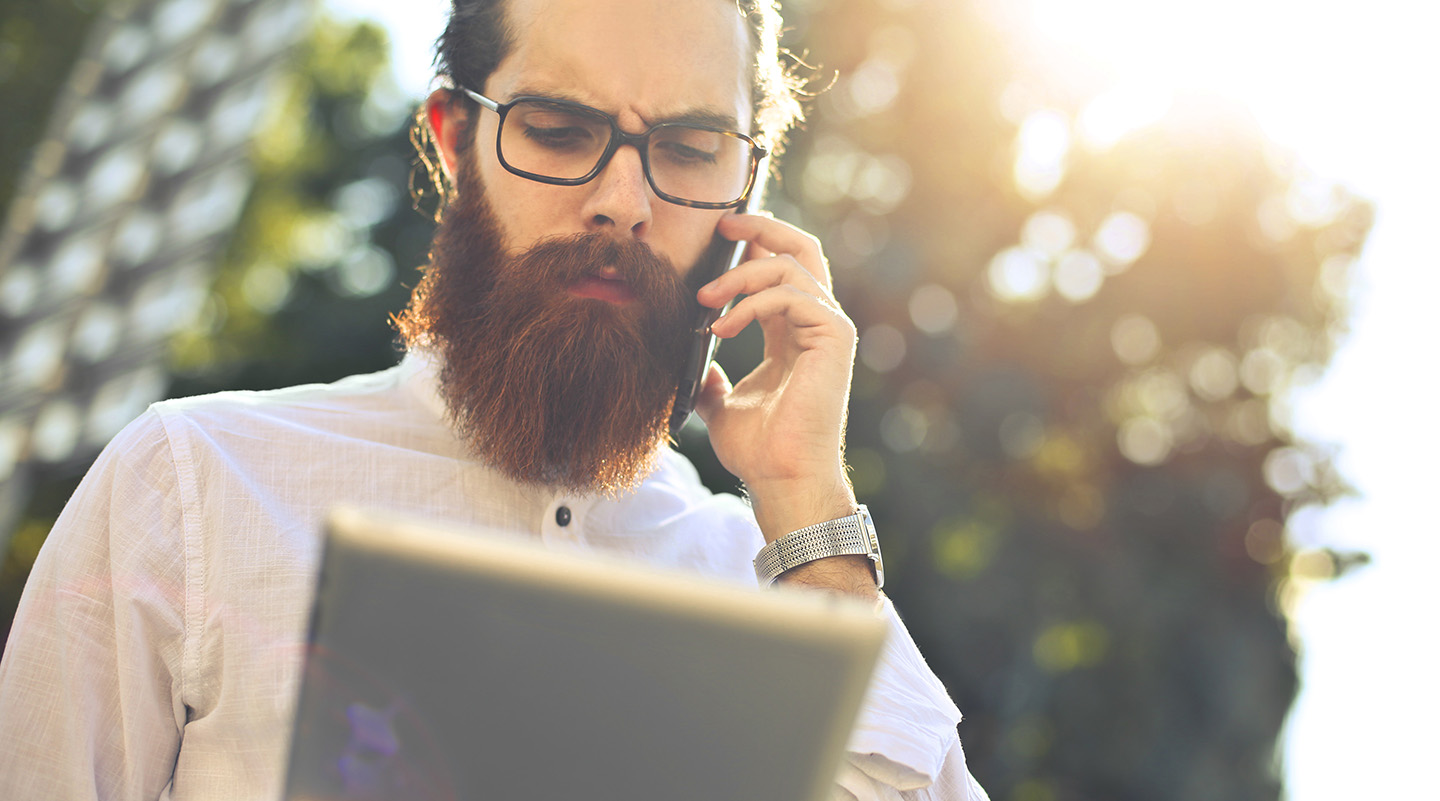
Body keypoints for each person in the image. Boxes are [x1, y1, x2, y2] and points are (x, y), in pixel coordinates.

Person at [0, 0, 990, 798]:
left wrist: (807, 504)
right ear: (451, 138)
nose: (624, 201)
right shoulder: (194, 488)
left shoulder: (769, 574)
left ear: (750, 188)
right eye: (560, 132)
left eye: (690, 150)